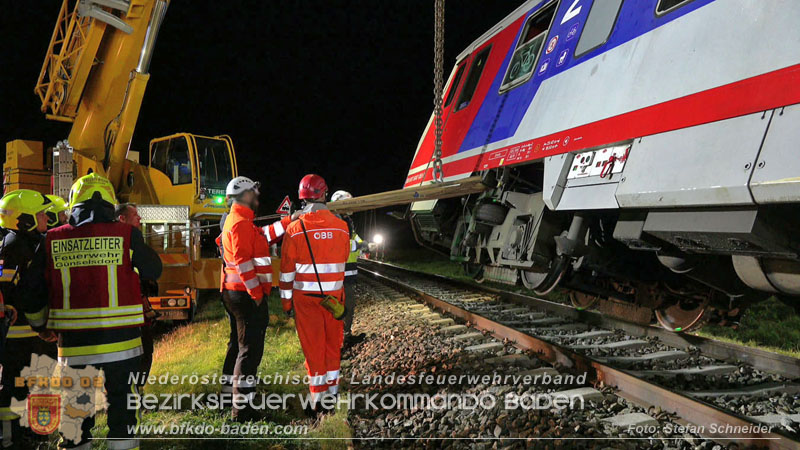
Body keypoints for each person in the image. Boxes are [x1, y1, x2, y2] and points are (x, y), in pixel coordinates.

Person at [21, 173, 162, 450]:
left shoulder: (51, 239)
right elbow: (154, 270)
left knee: (75, 417)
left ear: (74, 204)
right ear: (110, 203)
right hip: (123, 346)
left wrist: (41, 327)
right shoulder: (126, 234)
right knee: (122, 412)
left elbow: (31, 293)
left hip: (74, 347)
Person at [216, 176, 290, 421]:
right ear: (245, 195)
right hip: (245, 294)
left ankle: (228, 396)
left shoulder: (243, 221)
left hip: (236, 292)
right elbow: (244, 262)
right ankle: (242, 410)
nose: (257, 196)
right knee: (249, 351)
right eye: (254, 193)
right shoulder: (238, 223)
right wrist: (257, 295)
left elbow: (264, 234)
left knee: (238, 346)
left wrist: (290, 221)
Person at [279, 174, 349, 416]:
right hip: (333, 299)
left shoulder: (295, 229)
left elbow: (286, 272)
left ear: (302, 197)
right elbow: (343, 261)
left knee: (313, 349)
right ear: (323, 194)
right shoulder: (342, 227)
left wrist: (286, 303)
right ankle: (332, 395)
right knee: (332, 346)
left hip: (306, 300)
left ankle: (317, 400)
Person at [0, 190, 57, 449]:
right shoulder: (14, 247)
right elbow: (9, 290)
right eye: (40, 214)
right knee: (15, 386)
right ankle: (13, 438)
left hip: (31, 334)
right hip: (18, 336)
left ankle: (36, 434)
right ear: (24, 220)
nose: (46, 217)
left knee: (37, 385)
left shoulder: (29, 242)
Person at [115, 203, 158, 391]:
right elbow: (153, 269)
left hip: (129, 310)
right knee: (142, 352)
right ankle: (135, 391)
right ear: (121, 219)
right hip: (130, 312)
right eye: (134, 215)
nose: (139, 219)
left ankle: (133, 390)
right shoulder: (130, 237)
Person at [329, 190, 369, 349]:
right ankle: (337, 341)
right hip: (338, 275)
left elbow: (354, 239)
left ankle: (345, 337)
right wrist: (359, 245)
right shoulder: (333, 221)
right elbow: (340, 244)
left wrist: (363, 244)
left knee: (348, 307)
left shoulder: (347, 221)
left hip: (348, 274)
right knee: (338, 309)